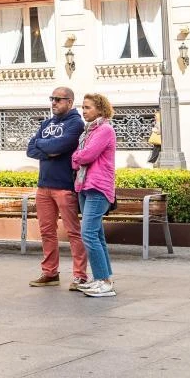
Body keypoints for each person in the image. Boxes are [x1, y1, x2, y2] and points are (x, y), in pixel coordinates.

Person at [24, 86, 88, 290]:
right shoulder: (47, 123)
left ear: (70, 102)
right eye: (52, 99)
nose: (54, 103)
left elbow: (60, 147)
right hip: (43, 186)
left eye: (59, 99)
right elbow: (30, 149)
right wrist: (48, 149)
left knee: (73, 232)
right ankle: (50, 273)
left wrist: (48, 146)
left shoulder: (76, 123)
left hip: (64, 186)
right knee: (46, 231)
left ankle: (80, 276)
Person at [71, 92, 118, 298]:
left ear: (100, 109)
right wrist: (78, 157)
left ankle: (103, 282)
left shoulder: (105, 129)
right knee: (97, 235)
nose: (84, 111)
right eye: (83, 107)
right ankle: (103, 278)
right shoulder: (88, 132)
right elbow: (77, 159)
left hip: (98, 186)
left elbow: (86, 155)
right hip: (84, 185)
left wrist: (78, 156)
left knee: (88, 233)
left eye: (88, 107)